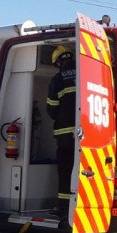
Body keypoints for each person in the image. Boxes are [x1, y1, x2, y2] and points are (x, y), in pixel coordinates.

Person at [46, 44, 77, 215]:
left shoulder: (57, 80)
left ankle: (64, 208)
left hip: (65, 135)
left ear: (58, 62)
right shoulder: (86, 75)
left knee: (66, 170)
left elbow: (51, 109)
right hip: (88, 135)